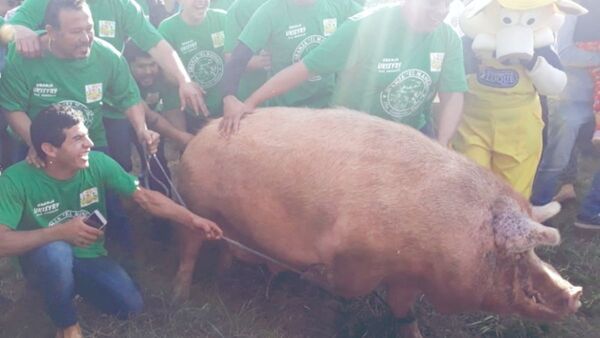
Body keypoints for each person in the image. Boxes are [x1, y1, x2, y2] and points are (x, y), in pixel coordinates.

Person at [0, 105, 222, 338]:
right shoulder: (16, 180)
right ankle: (66, 323)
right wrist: (59, 233)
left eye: (86, 135)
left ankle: (62, 287)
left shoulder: (98, 163)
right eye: (78, 139)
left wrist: (192, 219)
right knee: (54, 253)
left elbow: (145, 198)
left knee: (130, 307)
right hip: (41, 258)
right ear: (49, 149)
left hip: (89, 255)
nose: (89, 143)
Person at [0, 0, 159, 251]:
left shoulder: (107, 55)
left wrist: (141, 128)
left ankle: (118, 251)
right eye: (76, 32)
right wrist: (38, 144)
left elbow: (128, 96)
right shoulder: (26, 58)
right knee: (38, 205)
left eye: (90, 28)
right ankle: (43, 257)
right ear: (51, 32)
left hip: (90, 141)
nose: (86, 38)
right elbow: (11, 107)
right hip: (31, 141)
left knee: (108, 201)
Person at [220, 0, 466, 144]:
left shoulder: (448, 37)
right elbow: (304, 67)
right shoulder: (364, 28)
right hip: (350, 133)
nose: (442, 9)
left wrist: (441, 146)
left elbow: (452, 93)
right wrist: (245, 101)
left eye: (448, 2)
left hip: (409, 134)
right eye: (434, 2)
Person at [219, 0, 362, 134]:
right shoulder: (270, 11)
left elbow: (370, 20)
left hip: (327, 107)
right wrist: (229, 97)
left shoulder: (339, 4)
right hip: (285, 113)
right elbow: (238, 57)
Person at [530, 0, 600, 230]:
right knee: (555, 160)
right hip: (573, 98)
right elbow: (565, 53)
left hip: (595, 101)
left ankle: (590, 213)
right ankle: (535, 210)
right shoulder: (575, 6)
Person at [158, 0, 227, 130]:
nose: (200, 2)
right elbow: (166, 74)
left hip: (226, 108)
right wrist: (185, 83)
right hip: (191, 112)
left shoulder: (223, 19)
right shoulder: (167, 28)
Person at [223, 0, 270, 101]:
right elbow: (230, 58)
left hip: (290, 94)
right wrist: (274, 59)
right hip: (253, 97)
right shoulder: (238, 9)